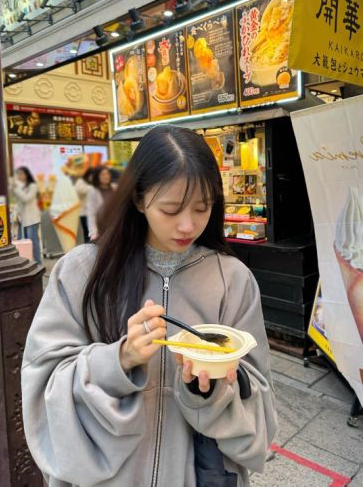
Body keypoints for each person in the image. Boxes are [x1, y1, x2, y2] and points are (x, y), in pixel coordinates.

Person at [21, 125, 277, 486]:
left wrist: (207, 389)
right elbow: (42, 382)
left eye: (202, 208)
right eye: (171, 209)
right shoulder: (82, 272)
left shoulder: (233, 280)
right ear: (139, 200)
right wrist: (119, 359)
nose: (187, 225)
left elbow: (260, 400)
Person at [10, 166, 42, 264]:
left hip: (32, 219)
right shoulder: (20, 186)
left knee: (33, 242)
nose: (19, 176)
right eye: (18, 174)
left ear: (27, 174)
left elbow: (26, 199)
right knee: (22, 242)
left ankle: (38, 263)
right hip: (21, 219)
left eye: (21, 173)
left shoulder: (32, 186)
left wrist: (16, 188)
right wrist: (12, 186)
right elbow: (12, 196)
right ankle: (27, 263)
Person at [86, 165, 117, 241]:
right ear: (97, 177)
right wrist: (93, 232)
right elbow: (91, 213)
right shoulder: (93, 191)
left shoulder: (114, 187)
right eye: (103, 174)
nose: (106, 176)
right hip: (102, 227)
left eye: (107, 174)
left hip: (116, 225)